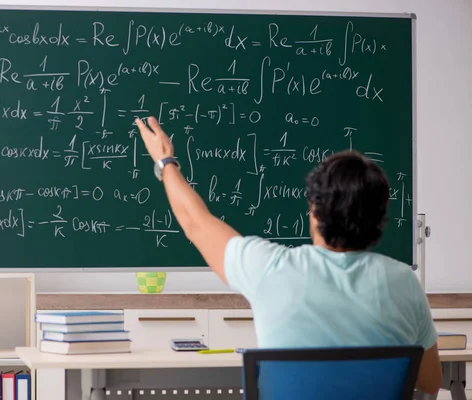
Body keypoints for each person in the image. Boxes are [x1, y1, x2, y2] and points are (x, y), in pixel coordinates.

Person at [135, 116, 442, 395]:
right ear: (379, 218)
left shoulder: (269, 268)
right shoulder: (404, 283)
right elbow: (430, 382)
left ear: (314, 212)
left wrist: (166, 161)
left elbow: (195, 222)